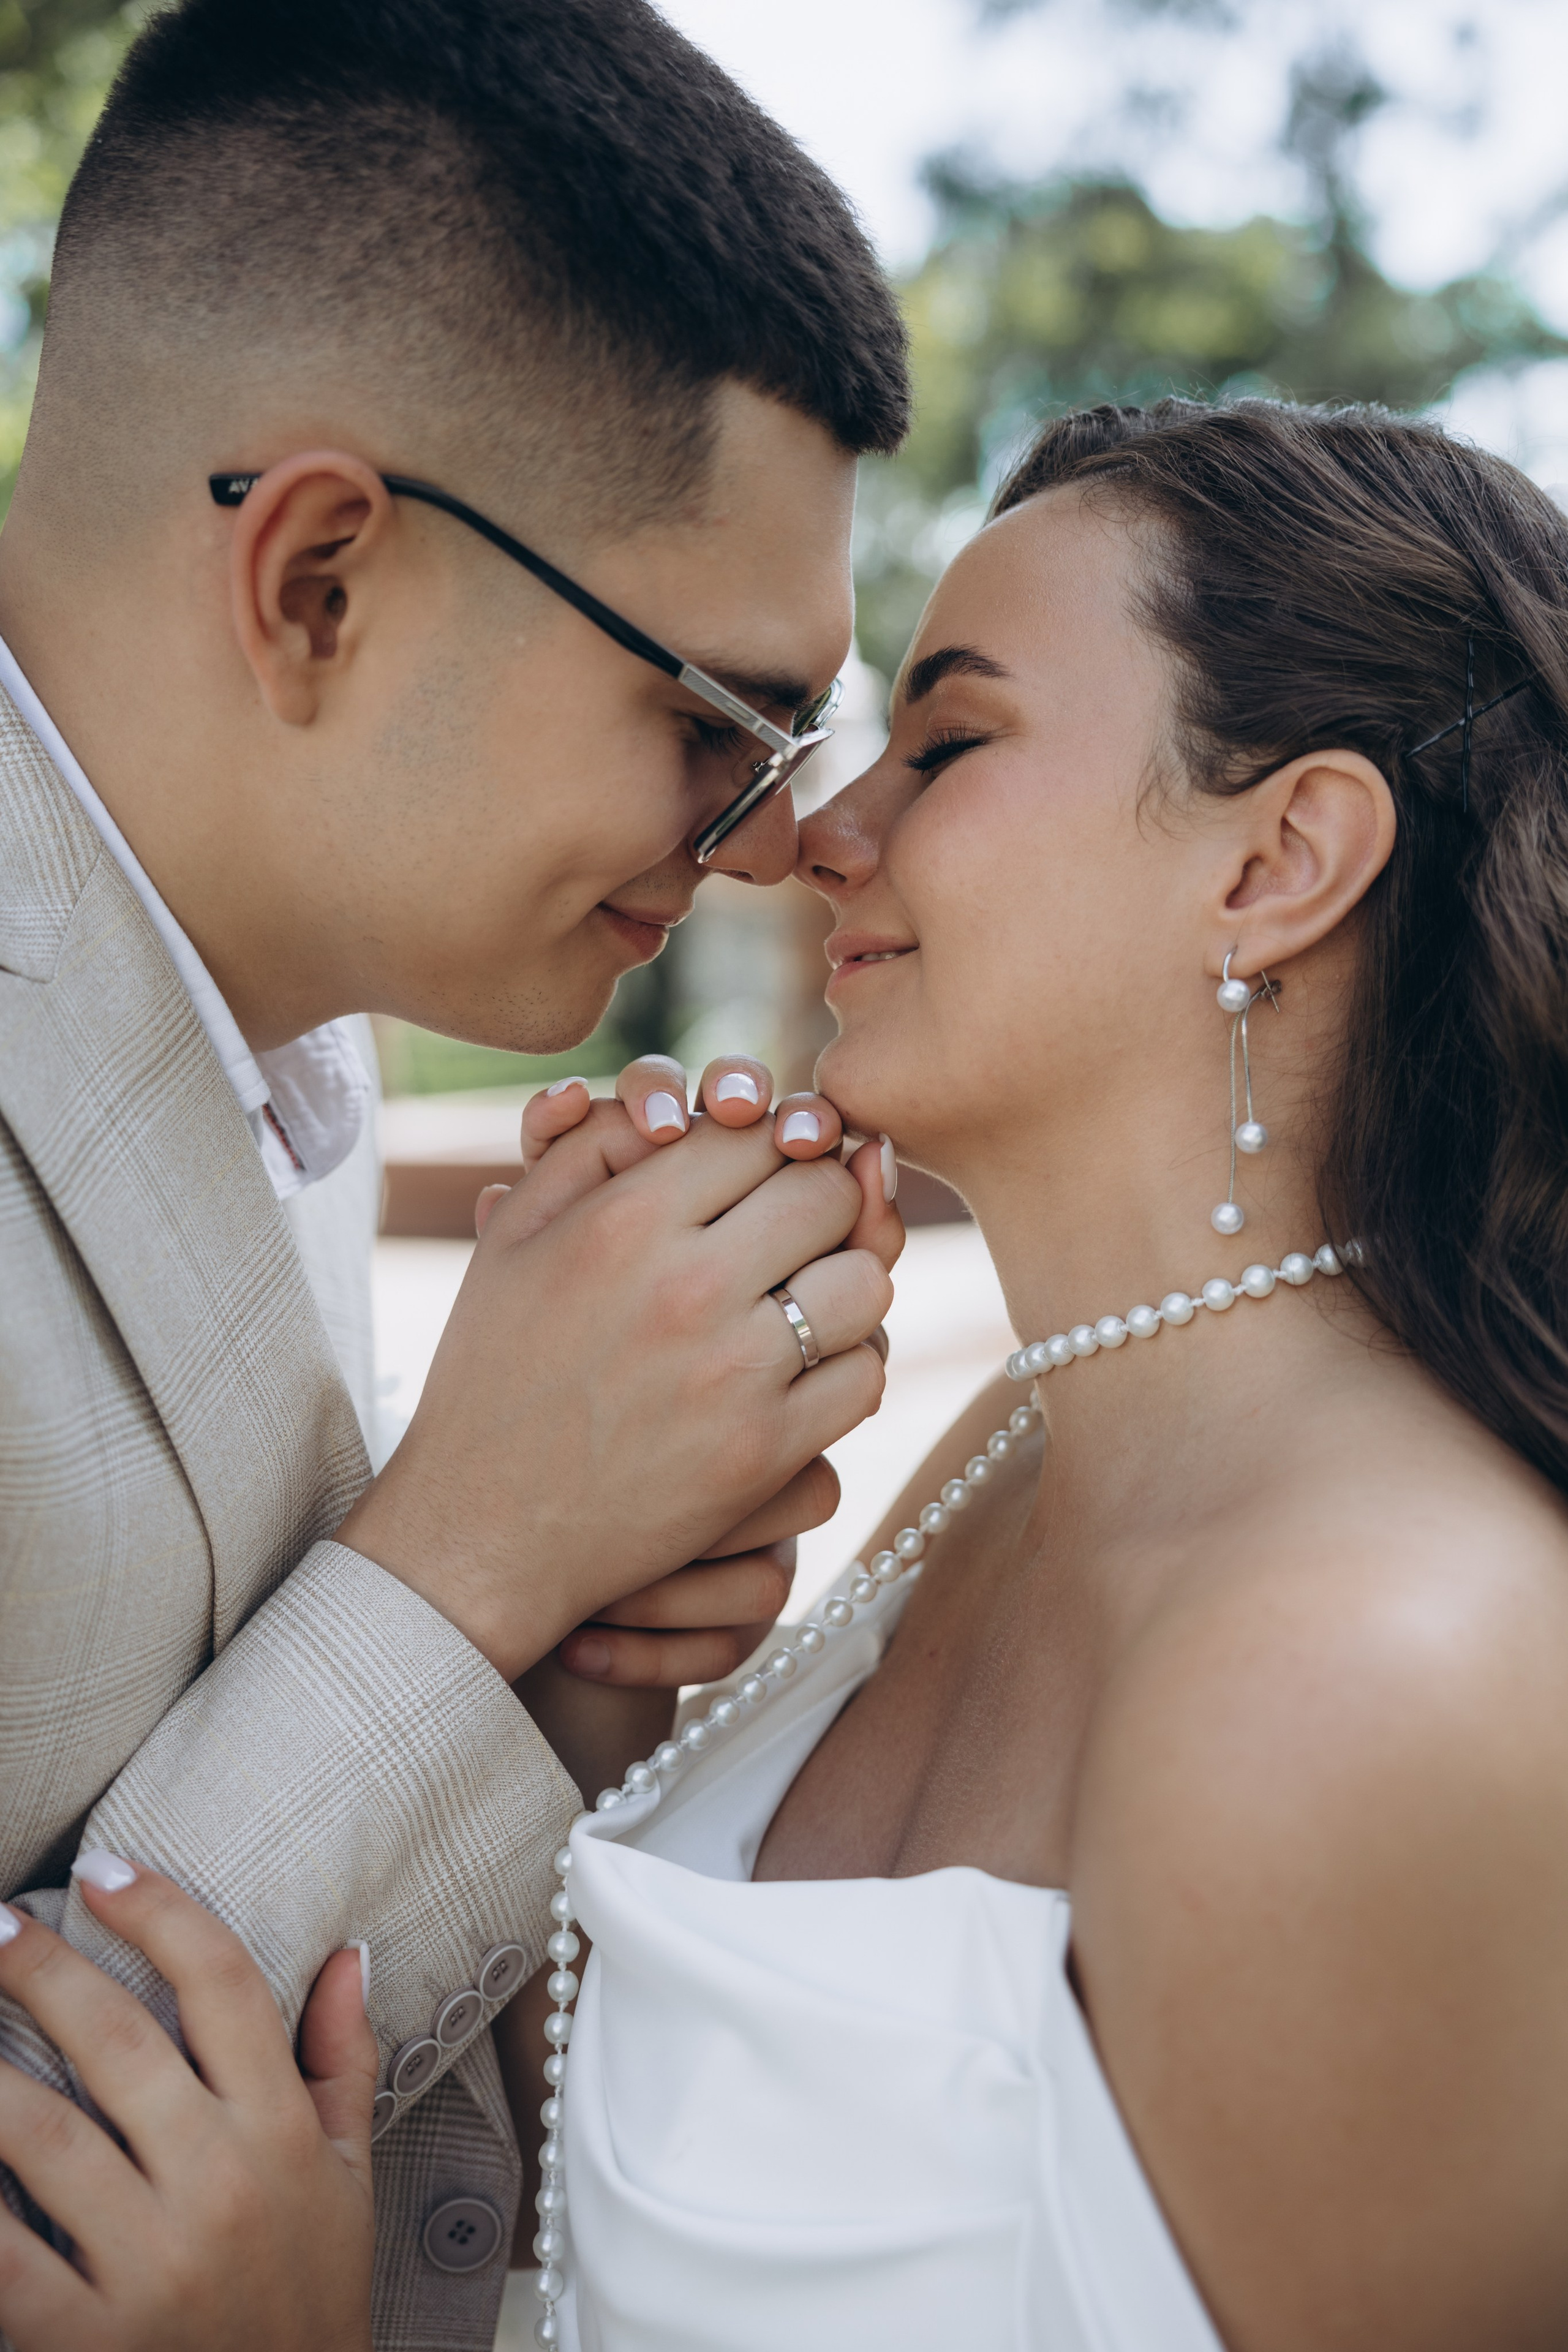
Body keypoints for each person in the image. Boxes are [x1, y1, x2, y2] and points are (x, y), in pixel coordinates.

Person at [0, 0, 910, 2340]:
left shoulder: (271, 989)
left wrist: (542, 1677)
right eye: (712, 719)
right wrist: (473, 1543)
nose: (788, 836)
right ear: (315, 579)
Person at [489, 396, 1568, 2351]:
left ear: (1280, 862)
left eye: (950, 741)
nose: (823, 831)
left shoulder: (1367, 1677)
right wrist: (596, 1658)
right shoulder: (1022, 1447)